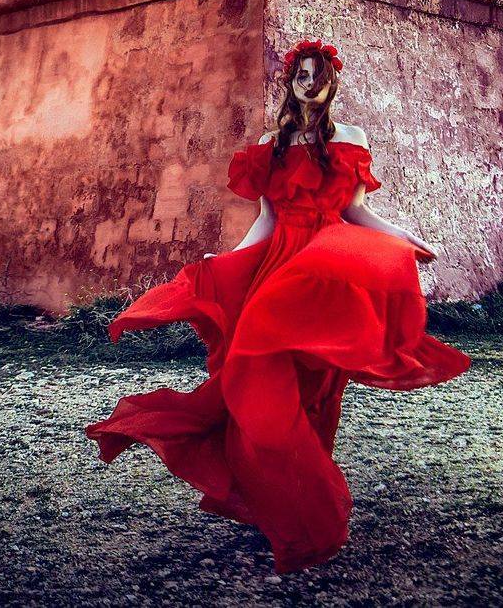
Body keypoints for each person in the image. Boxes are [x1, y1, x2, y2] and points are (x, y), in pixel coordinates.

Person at [84, 37, 471, 575]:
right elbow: (266, 219)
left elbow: (359, 214)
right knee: (255, 377)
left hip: (329, 268)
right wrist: (228, 259)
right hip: (280, 269)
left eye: (317, 76)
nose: (308, 84)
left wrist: (402, 237)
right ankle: (284, 496)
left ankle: (296, 493)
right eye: (300, 77)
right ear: (290, 84)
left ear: (331, 81)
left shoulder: (350, 139)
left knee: (317, 387)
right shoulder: (271, 145)